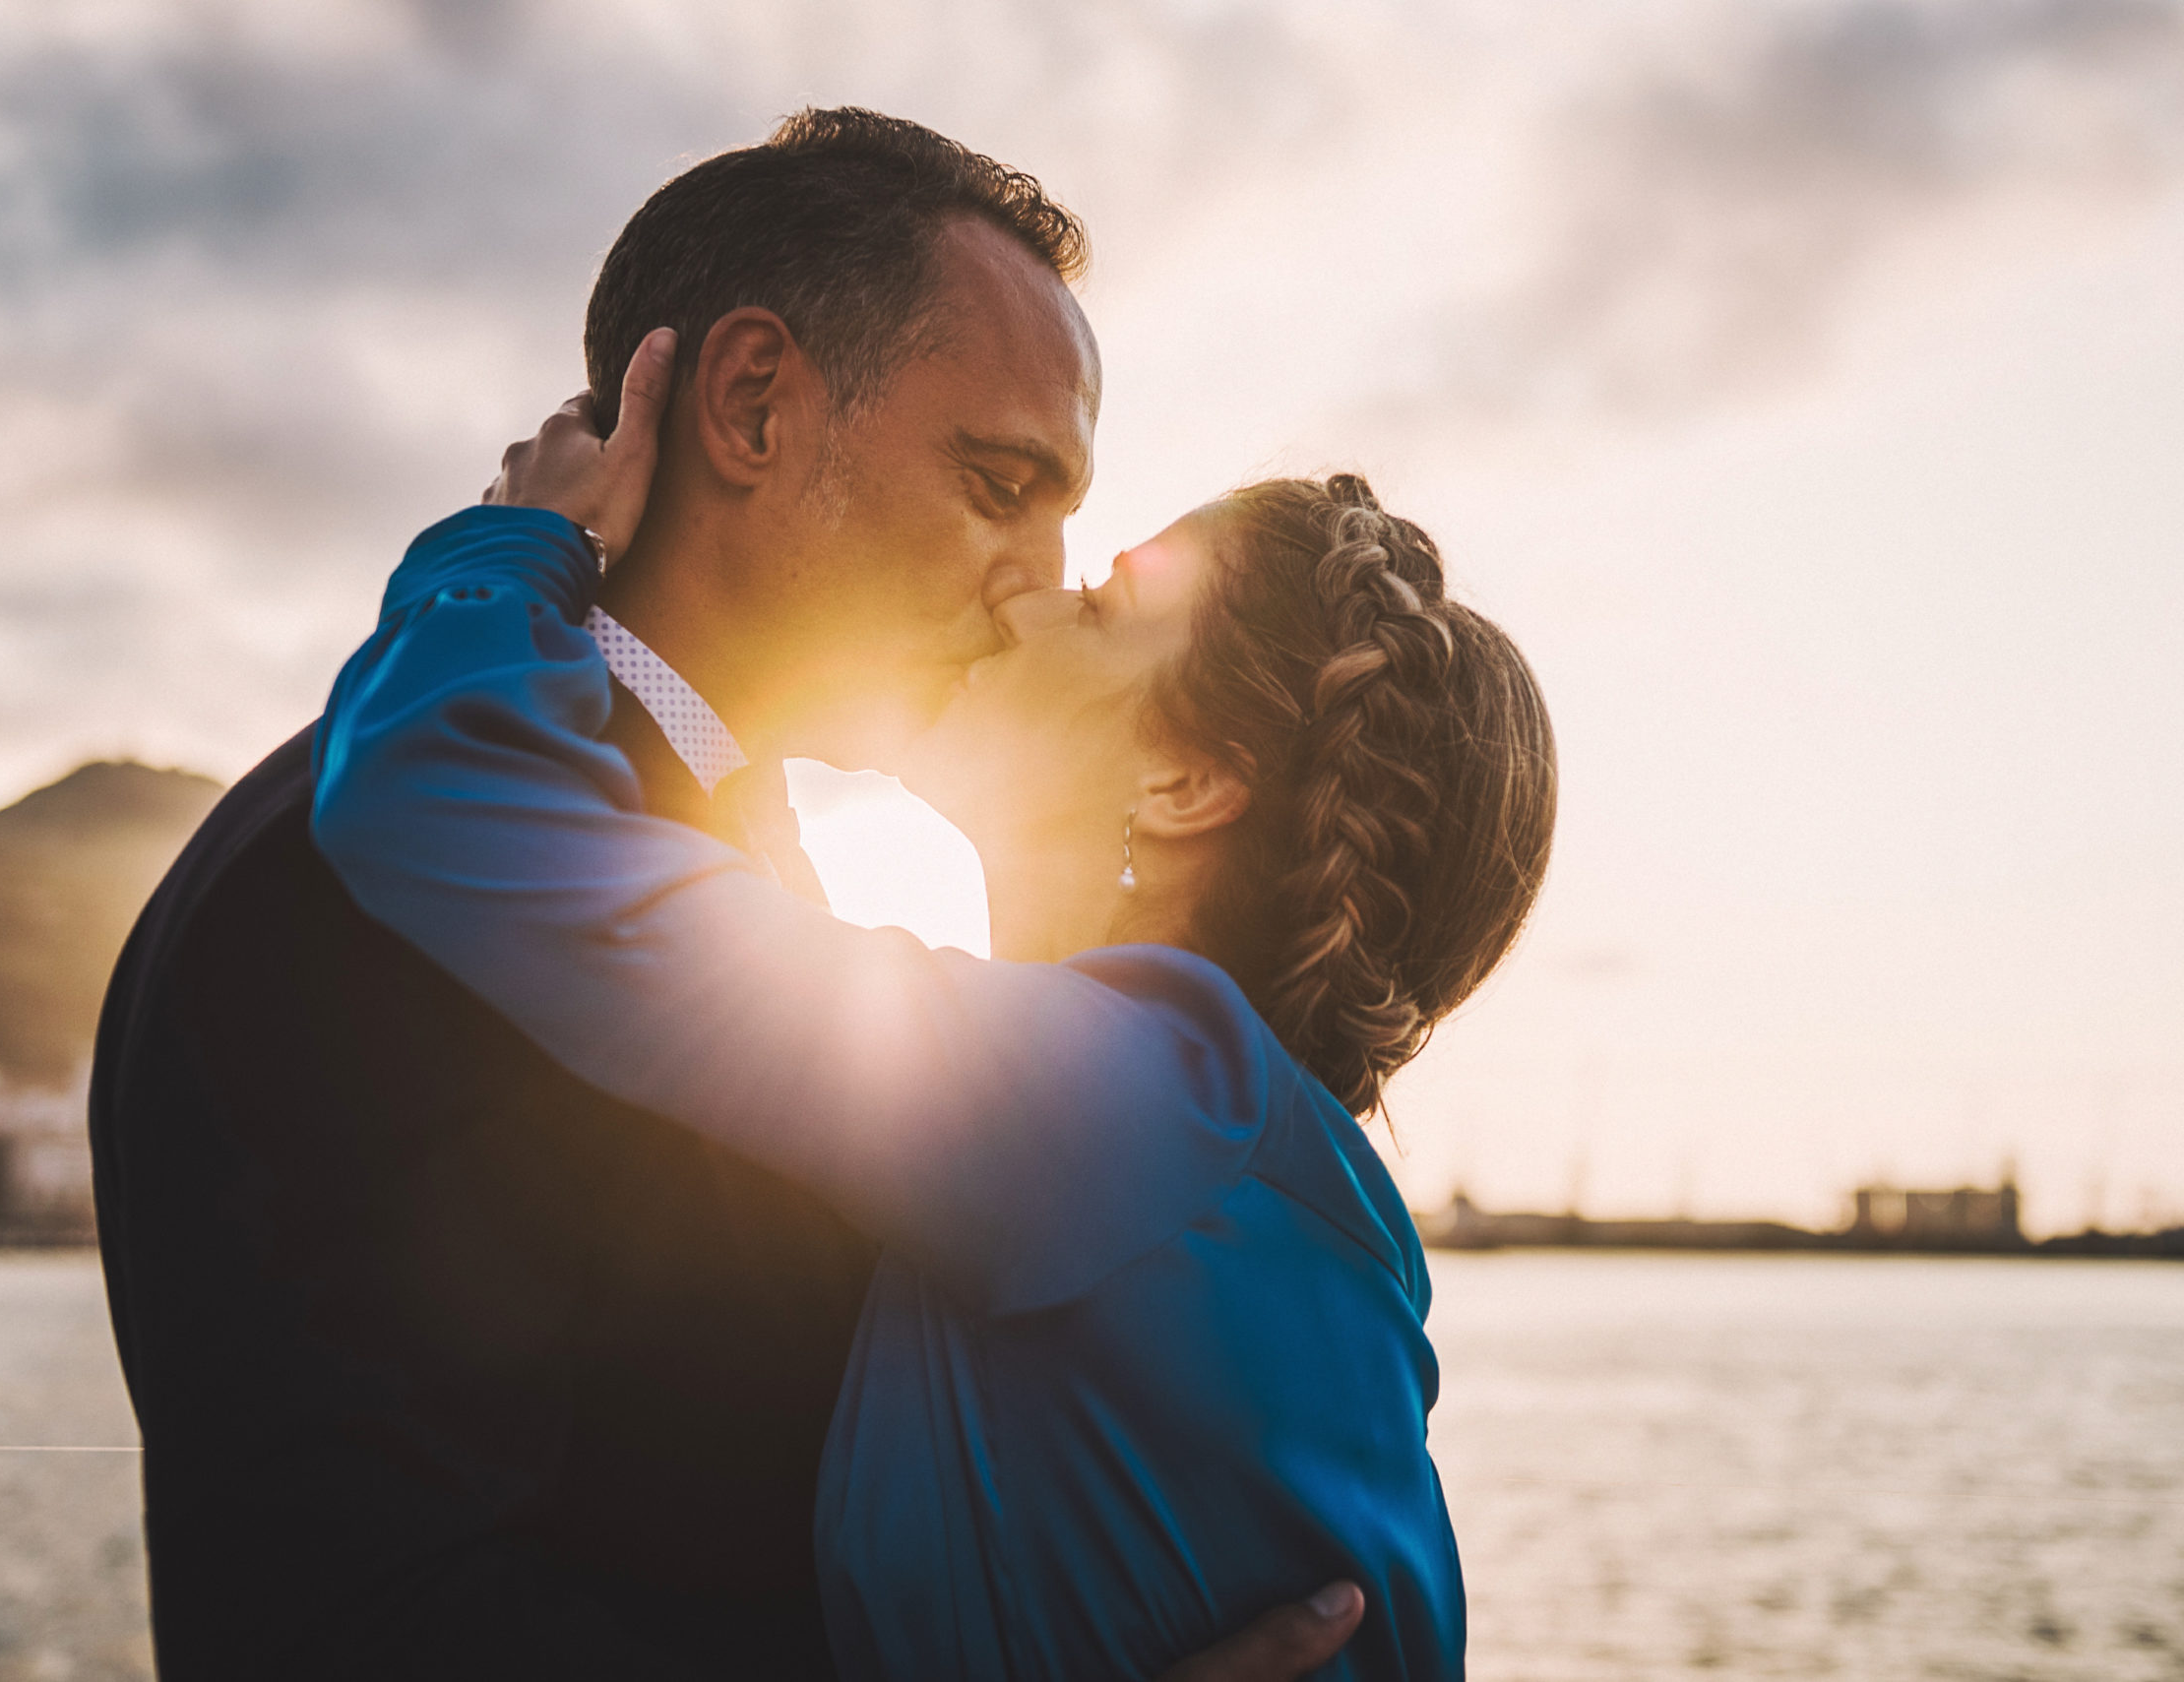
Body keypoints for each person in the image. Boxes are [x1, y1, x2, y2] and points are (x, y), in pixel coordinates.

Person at [90, 108, 1367, 1678]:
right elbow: (360, 1632)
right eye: (999, 480)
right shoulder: (359, 879)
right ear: (755, 404)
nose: (1037, 578)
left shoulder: (724, 874)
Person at [305, 331, 1558, 1676]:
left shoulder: (1130, 1102)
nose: (1022, 601)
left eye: (1095, 605)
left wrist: (516, 544)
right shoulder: (1195, 1155)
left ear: (1187, 782)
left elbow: (437, 803)